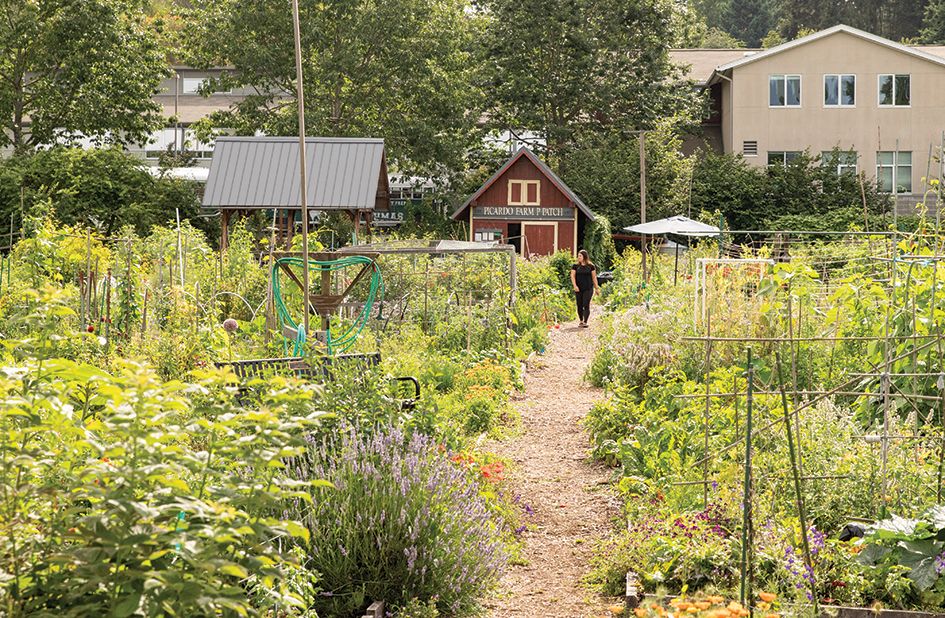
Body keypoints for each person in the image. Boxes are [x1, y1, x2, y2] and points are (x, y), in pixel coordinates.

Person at [570, 249, 600, 328]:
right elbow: (572, 276)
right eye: (578, 256)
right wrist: (574, 286)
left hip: (588, 288)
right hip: (578, 289)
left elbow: (594, 277)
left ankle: (585, 321)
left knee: (586, 304)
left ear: (584, 256)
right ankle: (581, 320)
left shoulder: (591, 266)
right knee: (579, 304)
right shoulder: (575, 266)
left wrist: (597, 288)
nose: (578, 257)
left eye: (580, 256)